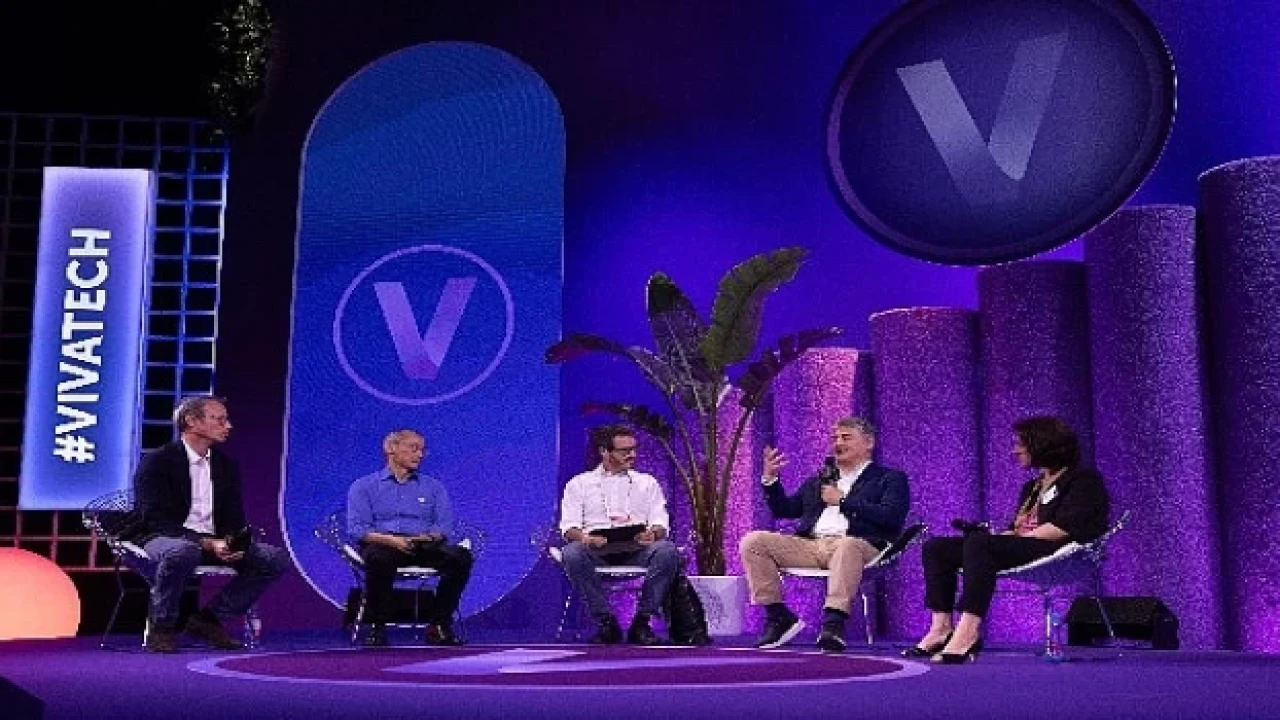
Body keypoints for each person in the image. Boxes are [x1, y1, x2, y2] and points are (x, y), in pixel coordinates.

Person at [906, 415, 1111, 664]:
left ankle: (969, 630)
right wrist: (999, 538)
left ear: (1042, 445)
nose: (1015, 451)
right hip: (1029, 545)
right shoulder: (1032, 486)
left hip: (1059, 549)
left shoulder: (1083, 480)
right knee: (937, 548)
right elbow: (1016, 528)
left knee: (980, 543)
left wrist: (1004, 540)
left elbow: (1063, 528)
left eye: (1020, 444)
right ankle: (941, 628)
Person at [127, 396, 291, 654]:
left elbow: (233, 518)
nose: (229, 426)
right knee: (182, 551)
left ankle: (208, 620)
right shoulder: (158, 461)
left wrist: (233, 542)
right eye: (220, 420)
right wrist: (204, 542)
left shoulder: (225, 466)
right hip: (162, 536)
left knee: (273, 558)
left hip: (213, 541)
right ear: (192, 421)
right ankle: (162, 627)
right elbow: (154, 519)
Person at [740, 417, 910, 653]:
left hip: (862, 545)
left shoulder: (889, 478)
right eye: (835, 438)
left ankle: (833, 624)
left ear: (868, 442)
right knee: (754, 542)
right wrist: (770, 480)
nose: (838, 443)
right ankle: (778, 617)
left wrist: (843, 501)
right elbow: (785, 510)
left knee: (848, 545)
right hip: (812, 546)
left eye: (846, 437)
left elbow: (891, 517)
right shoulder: (820, 480)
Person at [347, 429, 473, 647]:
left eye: (422, 450)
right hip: (384, 543)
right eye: (414, 448)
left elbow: (443, 527)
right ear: (391, 449)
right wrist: (392, 541)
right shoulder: (364, 487)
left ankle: (439, 625)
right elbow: (358, 529)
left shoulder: (433, 487)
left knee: (460, 557)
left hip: (423, 545)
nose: (420, 455)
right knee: (378, 559)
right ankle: (378, 627)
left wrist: (427, 538)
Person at [559, 424, 680, 645]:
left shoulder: (647, 483)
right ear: (604, 452)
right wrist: (586, 538)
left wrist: (652, 534)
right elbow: (569, 528)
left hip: (637, 549)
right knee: (571, 552)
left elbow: (660, 523)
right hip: (596, 549)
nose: (632, 455)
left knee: (667, 550)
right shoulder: (579, 484)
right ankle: (606, 621)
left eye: (634, 449)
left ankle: (642, 622)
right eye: (625, 451)